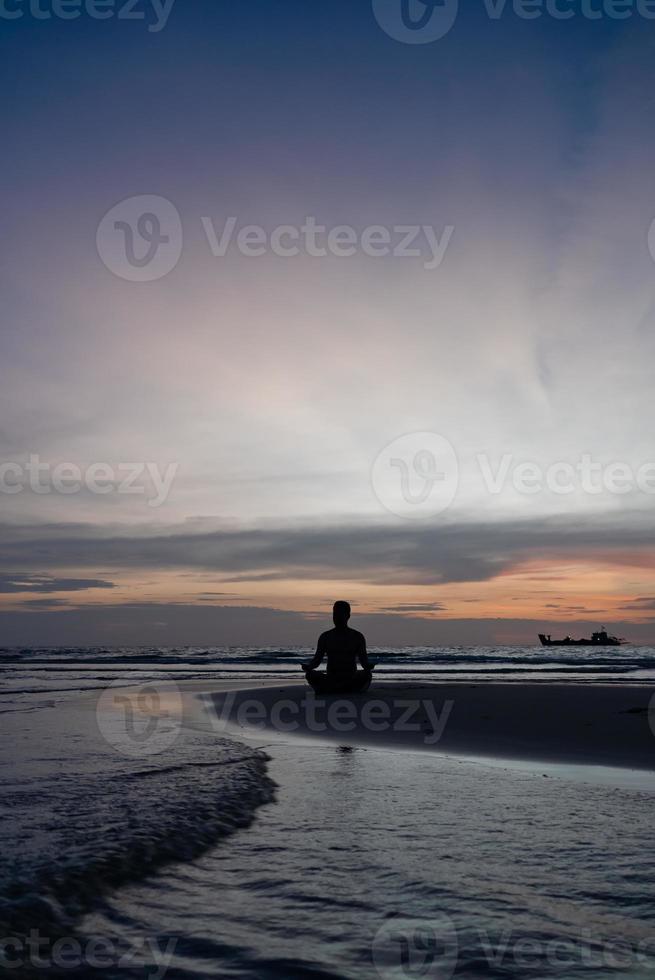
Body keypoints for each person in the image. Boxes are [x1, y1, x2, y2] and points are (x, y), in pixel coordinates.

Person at [301, 600, 373, 694]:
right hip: (331, 679)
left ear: (348, 616)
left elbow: (364, 663)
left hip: (350, 679)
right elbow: (317, 661)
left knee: (366, 674)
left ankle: (339, 689)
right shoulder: (325, 637)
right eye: (335, 614)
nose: (336, 617)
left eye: (340, 614)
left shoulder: (357, 637)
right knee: (310, 675)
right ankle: (340, 689)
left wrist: (369, 666)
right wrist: (308, 667)